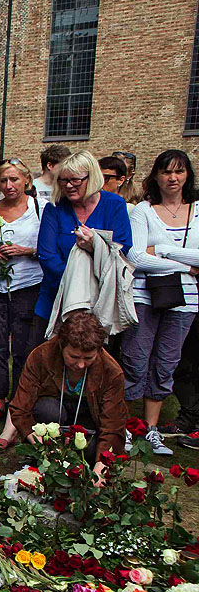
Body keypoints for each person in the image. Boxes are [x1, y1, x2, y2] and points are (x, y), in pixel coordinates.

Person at [122, 150, 199, 455]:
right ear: (156, 175)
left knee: (166, 363)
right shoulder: (143, 210)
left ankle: (151, 429)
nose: (172, 178)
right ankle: (126, 427)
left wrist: (163, 250)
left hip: (186, 300)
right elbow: (137, 257)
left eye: (179, 172)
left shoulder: (197, 210)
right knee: (135, 360)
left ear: (187, 176)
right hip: (145, 295)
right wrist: (186, 265)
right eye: (166, 172)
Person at [0, 311, 126, 472]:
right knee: (47, 410)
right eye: (74, 356)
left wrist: (100, 469)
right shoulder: (41, 356)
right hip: (52, 413)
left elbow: (113, 424)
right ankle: (41, 455)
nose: (80, 365)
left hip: (88, 420)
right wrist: (42, 445)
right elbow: (20, 408)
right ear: (61, 345)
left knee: (89, 450)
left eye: (88, 358)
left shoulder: (112, 372)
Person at [33, 151, 134, 342]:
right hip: (55, 296)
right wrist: (76, 284)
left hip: (100, 299)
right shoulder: (55, 207)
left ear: (92, 177)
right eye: (63, 181)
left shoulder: (115, 205)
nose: (68, 186)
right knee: (44, 359)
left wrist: (95, 247)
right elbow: (46, 255)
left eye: (75, 180)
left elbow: (122, 249)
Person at [0, 159, 43, 407]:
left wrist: (28, 250)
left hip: (28, 286)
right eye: (3, 180)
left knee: (23, 348)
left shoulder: (40, 208)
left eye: (14, 179)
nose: (9, 185)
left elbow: (52, 246)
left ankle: (20, 401)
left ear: (26, 180)